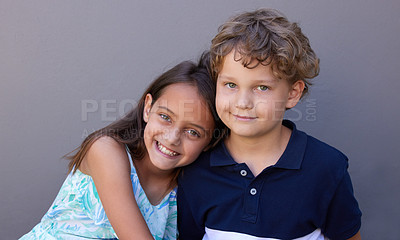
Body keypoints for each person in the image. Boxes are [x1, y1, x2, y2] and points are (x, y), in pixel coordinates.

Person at [177, 8, 362, 240]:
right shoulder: (196, 168)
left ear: (293, 93)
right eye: (230, 85)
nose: (243, 103)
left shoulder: (327, 169)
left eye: (261, 87)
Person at [20, 55, 222, 240]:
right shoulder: (106, 150)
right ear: (148, 108)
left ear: (209, 143)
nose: (172, 138)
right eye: (165, 117)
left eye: (193, 132)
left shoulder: (187, 188)